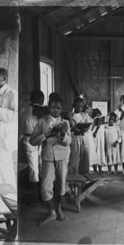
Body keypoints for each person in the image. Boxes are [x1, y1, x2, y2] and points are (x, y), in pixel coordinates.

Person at [30, 96, 71, 226]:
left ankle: (58, 209)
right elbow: (32, 141)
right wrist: (46, 135)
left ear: (61, 109)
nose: (55, 110)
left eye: (58, 108)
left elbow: (68, 142)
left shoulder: (66, 123)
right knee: (45, 187)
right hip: (47, 156)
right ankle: (51, 211)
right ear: (49, 107)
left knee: (61, 184)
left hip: (62, 157)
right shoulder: (42, 122)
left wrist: (63, 134)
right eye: (53, 107)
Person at [19, 90, 45, 184]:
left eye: (42, 100)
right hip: (29, 139)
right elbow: (21, 127)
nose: (40, 102)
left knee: (42, 164)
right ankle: (34, 189)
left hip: (41, 138)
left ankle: (43, 188)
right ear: (32, 99)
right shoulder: (25, 110)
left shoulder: (42, 112)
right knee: (33, 167)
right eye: (38, 100)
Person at [67, 97, 93, 175]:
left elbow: (88, 125)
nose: (79, 108)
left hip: (84, 138)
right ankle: (72, 178)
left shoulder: (84, 115)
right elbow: (70, 126)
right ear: (73, 106)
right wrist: (76, 129)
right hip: (75, 138)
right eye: (77, 106)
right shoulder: (70, 115)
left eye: (81, 106)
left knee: (85, 159)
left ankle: (84, 177)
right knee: (74, 159)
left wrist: (83, 130)